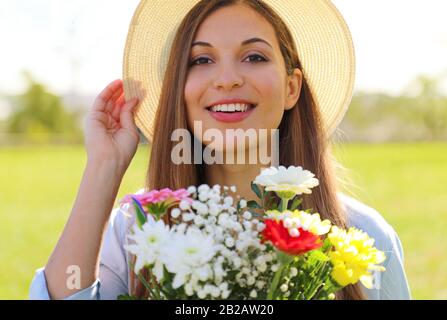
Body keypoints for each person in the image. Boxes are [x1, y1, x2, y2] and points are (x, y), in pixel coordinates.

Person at [29, 0, 411, 300]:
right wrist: (105, 166)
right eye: (202, 60)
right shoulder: (135, 231)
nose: (227, 79)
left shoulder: (364, 238)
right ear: (180, 89)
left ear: (292, 87)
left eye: (255, 57)